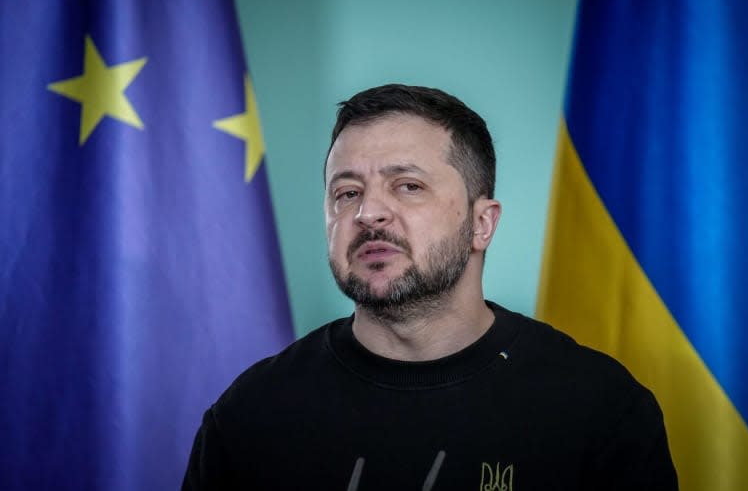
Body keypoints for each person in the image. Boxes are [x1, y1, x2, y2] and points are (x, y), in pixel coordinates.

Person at [182, 84, 678, 490]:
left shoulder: (600, 411)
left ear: (482, 224)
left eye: (408, 185)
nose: (368, 212)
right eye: (346, 192)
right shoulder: (251, 415)